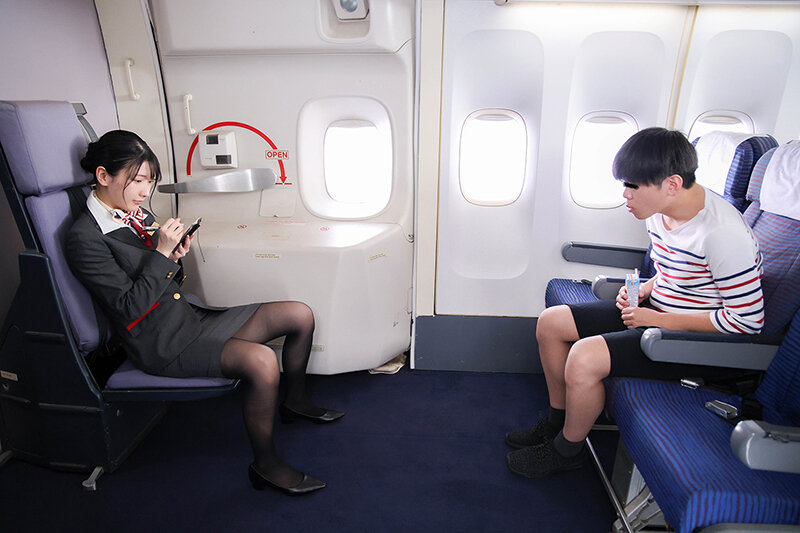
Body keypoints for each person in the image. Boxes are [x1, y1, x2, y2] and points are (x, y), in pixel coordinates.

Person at [66, 130, 343, 495]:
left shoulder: (133, 213)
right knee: (262, 361)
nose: (144, 191)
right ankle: (265, 465)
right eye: (137, 180)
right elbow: (129, 309)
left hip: (187, 315)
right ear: (103, 176)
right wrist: (161, 254)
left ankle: (294, 402)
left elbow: (164, 277)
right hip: (160, 342)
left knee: (299, 315)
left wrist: (174, 255)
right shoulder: (85, 239)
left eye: (149, 181)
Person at [505, 127, 764, 478]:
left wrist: (657, 321)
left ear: (672, 184)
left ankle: (568, 450)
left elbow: (746, 322)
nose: (625, 195)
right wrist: (643, 290)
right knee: (551, 323)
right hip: (657, 314)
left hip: (694, 343)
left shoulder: (723, 235)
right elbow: (675, 271)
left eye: (633, 186)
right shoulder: (659, 211)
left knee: (584, 357)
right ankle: (556, 422)